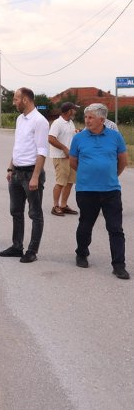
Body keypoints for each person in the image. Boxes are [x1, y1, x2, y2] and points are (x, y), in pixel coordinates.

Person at [68, 103, 128, 279]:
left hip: (111, 190)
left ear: (102, 120)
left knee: (115, 228)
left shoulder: (115, 137)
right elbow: (73, 161)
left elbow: (123, 161)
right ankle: (81, 253)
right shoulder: (78, 138)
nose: (87, 120)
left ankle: (119, 265)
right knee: (86, 224)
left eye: (90, 117)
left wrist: (110, 175)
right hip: (86, 190)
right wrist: (89, 173)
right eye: (86, 117)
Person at [0, 87, 50, 263]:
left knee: (35, 214)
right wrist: (10, 168)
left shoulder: (39, 121)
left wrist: (35, 176)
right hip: (17, 172)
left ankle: (32, 250)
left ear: (25, 100)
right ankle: (17, 246)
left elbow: (42, 151)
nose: (14, 102)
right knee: (16, 211)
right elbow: (19, 146)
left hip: (31, 173)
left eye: (15, 99)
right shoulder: (21, 119)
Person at [48, 102, 79, 216]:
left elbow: (69, 136)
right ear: (69, 111)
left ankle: (63, 205)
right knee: (61, 182)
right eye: (74, 109)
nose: (75, 111)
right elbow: (51, 138)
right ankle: (55, 206)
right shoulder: (57, 123)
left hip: (71, 157)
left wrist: (77, 132)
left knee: (70, 182)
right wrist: (64, 148)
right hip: (60, 157)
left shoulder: (70, 122)